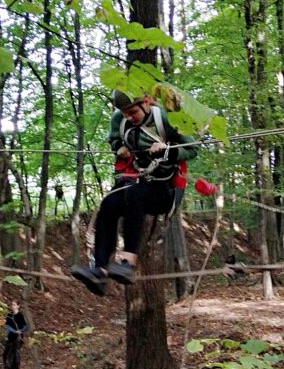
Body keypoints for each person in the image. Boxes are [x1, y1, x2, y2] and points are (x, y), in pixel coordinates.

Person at [71, 89, 199, 295]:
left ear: (146, 102)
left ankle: (128, 263)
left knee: (134, 194)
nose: (129, 117)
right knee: (110, 202)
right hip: (137, 181)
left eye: (132, 112)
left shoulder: (164, 118)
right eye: (124, 113)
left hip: (163, 190)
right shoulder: (119, 120)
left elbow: (192, 149)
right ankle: (100, 271)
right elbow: (114, 139)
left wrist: (167, 149)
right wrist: (119, 147)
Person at [2, 301, 28, 369]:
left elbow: (25, 326)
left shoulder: (20, 315)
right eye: (12, 305)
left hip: (18, 338)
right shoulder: (9, 315)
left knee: (15, 354)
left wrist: (20, 331)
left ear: (18, 306)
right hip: (11, 337)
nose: (12, 306)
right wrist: (13, 331)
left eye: (14, 305)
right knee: (6, 353)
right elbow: (7, 325)